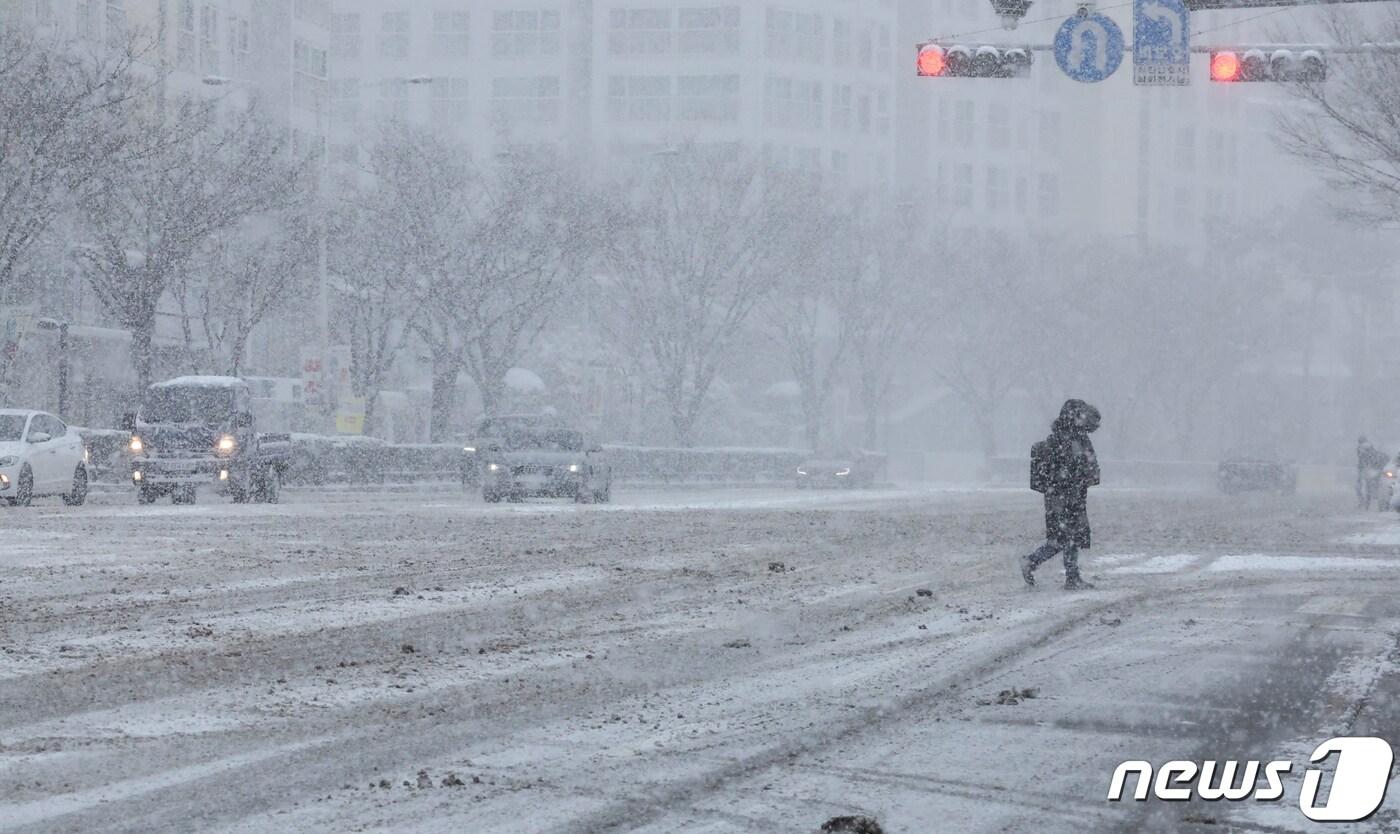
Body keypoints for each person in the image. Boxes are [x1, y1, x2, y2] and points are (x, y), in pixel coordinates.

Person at [1021, 399, 1102, 590]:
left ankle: (1069, 576)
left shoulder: (1071, 436)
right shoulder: (1067, 438)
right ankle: (1034, 563)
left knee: (1067, 538)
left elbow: (1082, 465)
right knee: (1063, 538)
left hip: (1066, 495)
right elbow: (1075, 466)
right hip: (1065, 496)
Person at [1357, 436, 1387, 510]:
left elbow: (1362, 461)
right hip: (1375, 471)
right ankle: (1367, 503)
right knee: (1370, 487)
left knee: (1364, 487)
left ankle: (1365, 503)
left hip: (1371, 471)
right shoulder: (1374, 452)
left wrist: (1361, 468)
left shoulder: (1363, 450)